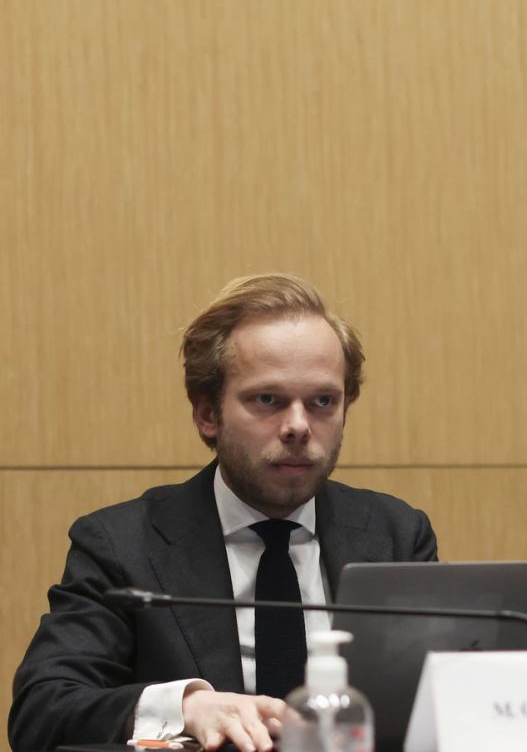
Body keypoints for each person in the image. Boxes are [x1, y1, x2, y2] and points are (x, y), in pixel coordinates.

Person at [8, 274, 438, 752]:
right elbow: (42, 711)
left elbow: (445, 707)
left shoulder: (397, 535)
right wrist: (187, 707)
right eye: (267, 400)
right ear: (207, 414)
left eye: (322, 401)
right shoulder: (122, 545)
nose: (298, 426)